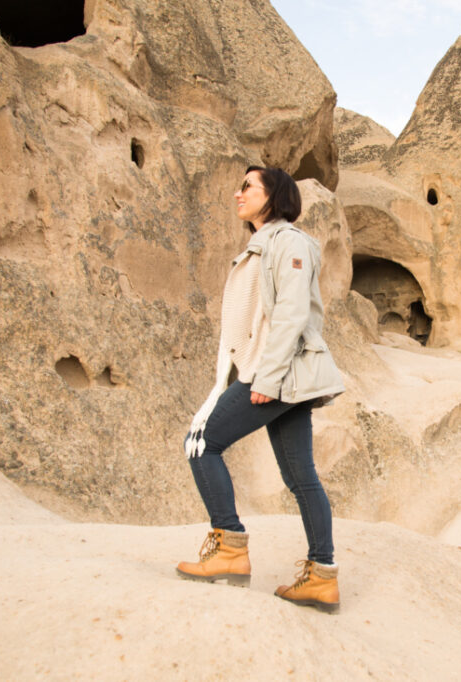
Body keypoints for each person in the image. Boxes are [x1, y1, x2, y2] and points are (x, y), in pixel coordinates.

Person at [177, 166, 346, 614]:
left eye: (248, 186)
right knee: (301, 477)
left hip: (278, 377)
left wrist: (265, 381)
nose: (238, 193)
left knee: (202, 445)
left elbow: (290, 316)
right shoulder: (263, 244)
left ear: (273, 197)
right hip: (277, 374)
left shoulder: (289, 242)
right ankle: (321, 578)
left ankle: (229, 548)